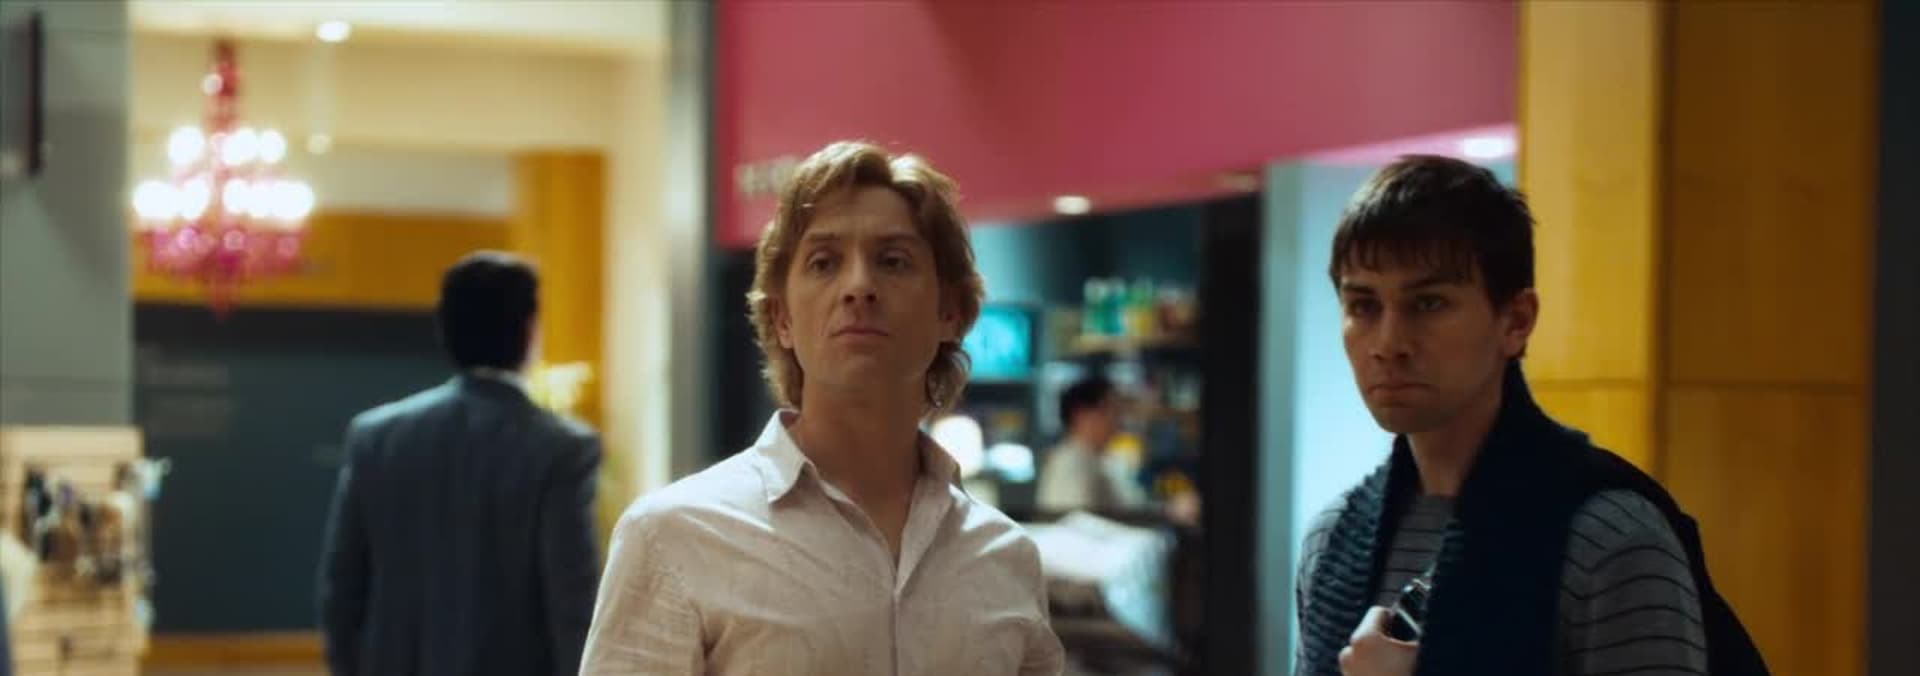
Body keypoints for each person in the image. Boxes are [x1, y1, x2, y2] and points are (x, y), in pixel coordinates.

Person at [579, 141, 1065, 675]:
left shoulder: (1005, 560)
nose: (859, 286)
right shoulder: (675, 538)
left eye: (893, 261)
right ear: (782, 318)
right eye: (824, 263)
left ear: (950, 311)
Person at [1293, 156, 1764, 676]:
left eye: (1428, 304)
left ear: (1516, 321)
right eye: (1363, 306)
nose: (1388, 343)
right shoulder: (1332, 540)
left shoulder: (1607, 538)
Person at [319, 252, 601, 676]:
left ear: (445, 329)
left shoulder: (376, 437)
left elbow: (342, 593)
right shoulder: (561, 448)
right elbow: (571, 604)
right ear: (530, 330)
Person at [1036, 376, 1146, 513]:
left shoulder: (1101, 459)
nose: (1118, 420)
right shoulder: (1071, 463)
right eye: (1111, 409)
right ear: (1081, 414)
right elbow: (1074, 521)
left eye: (1120, 411)